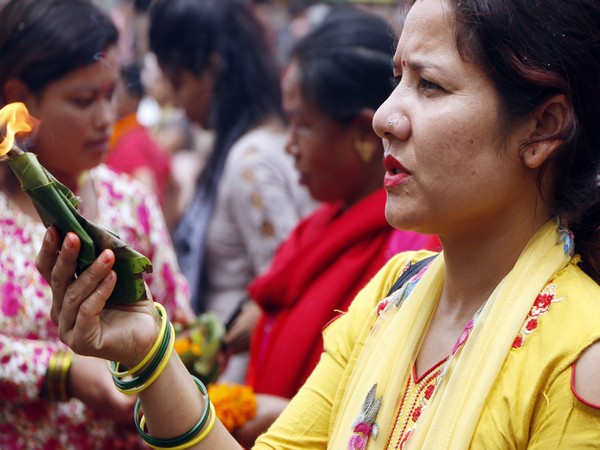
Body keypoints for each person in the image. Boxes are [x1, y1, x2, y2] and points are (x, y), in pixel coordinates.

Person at [37, 0, 600, 448]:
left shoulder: (579, 353)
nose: (384, 117)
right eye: (397, 78)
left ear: (543, 128)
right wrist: (145, 350)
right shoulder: (392, 293)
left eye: (430, 85)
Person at [0, 0, 192, 447]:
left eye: (110, 95)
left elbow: (177, 320)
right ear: (20, 99)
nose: (107, 119)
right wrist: (64, 371)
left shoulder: (131, 203)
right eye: (84, 100)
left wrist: (148, 365)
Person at [246, 5, 440, 403]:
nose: (290, 144)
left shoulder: (411, 253)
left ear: (364, 134)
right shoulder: (316, 229)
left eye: (303, 124)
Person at [148, 0, 317, 382]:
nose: (175, 100)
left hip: (239, 383)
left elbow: (286, 284)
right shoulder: (252, 143)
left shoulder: (248, 161)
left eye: (178, 83)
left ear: (211, 69)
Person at [107, 62, 172, 206]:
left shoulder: (132, 140)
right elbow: (175, 185)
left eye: (115, 91)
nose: (111, 98)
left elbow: (147, 191)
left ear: (133, 100)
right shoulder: (140, 134)